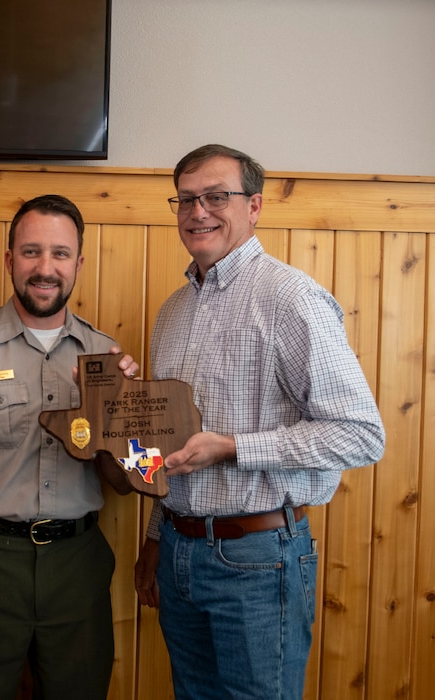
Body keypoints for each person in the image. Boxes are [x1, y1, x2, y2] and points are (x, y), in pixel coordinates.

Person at [133, 144, 385, 699]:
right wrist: (154, 537)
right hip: (177, 550)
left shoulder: (291, 298)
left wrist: (232, 447)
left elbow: (361, 434)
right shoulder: (171, 312)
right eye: (186, 200)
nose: (198, 211)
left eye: (215, 196)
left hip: (258, 559)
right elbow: (167, 441)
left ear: (254, 206)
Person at [0, 194, 137, 700]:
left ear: (78, 263)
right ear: (9, 259)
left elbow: (127, 484)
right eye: (31, 251)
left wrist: (114, 410)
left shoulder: (104, 355)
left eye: (60, 254)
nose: (45, 268)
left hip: (77, 566)